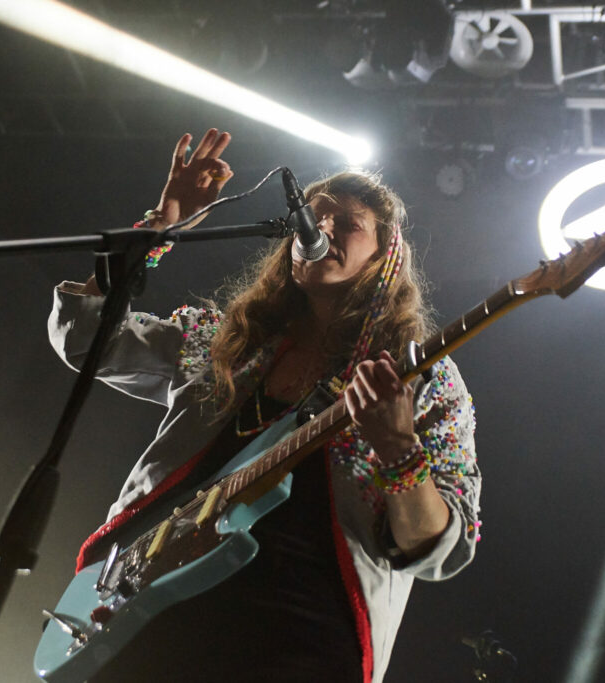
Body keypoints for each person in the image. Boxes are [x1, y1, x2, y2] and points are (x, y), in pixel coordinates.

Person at [48, 128, 481, 683]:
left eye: (347, 223)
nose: (321, 227)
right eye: (315, 216)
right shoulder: (226, 342)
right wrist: (161, 223)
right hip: (148, 611)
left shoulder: (421, 378)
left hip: (297, 638)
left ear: (385, 257)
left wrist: (398, 448)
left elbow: (438, 548)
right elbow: (85, 339)